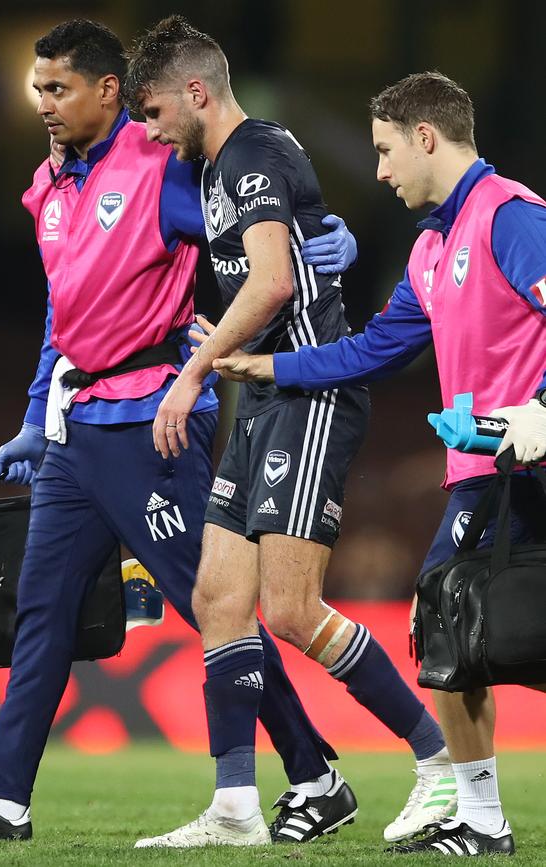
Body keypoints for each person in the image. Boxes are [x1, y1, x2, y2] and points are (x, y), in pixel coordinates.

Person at [0, 18, 360, 845]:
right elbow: (59, 310)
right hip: (78, 430)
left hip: (155, 420)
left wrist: (326, 246)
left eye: (58, 88)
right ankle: (2, 802)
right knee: (40, 611)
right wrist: (39, 416)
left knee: (208, 604)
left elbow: (259, 238)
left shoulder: (163, 168)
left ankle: (316, 772)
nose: (42, 102)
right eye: (37, 88)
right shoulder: (51, 184)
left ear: (108, 90)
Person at [125, 17, 455, 849]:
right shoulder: (215, 170)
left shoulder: (255, 153)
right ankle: (235, 806)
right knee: (217, 598)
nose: (156, 133)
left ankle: (439, 762)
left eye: (159, 113)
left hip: (311, 396)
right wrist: (220, 341)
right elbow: (273, 276)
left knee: (291, 606)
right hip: (264, 394)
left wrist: (196, 371)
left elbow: (272, 283)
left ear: (197, 93)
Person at [213, 71, 546, 856]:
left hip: (527, 466)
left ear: (427, 137)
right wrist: (272, 369)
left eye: (386, 150)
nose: (380, 171)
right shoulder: (432, 248)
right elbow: (374, 348)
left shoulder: (513, 217)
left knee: (456, 628)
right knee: (455, 631)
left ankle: (479, 817)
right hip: (487, 475)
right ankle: (479, 819)